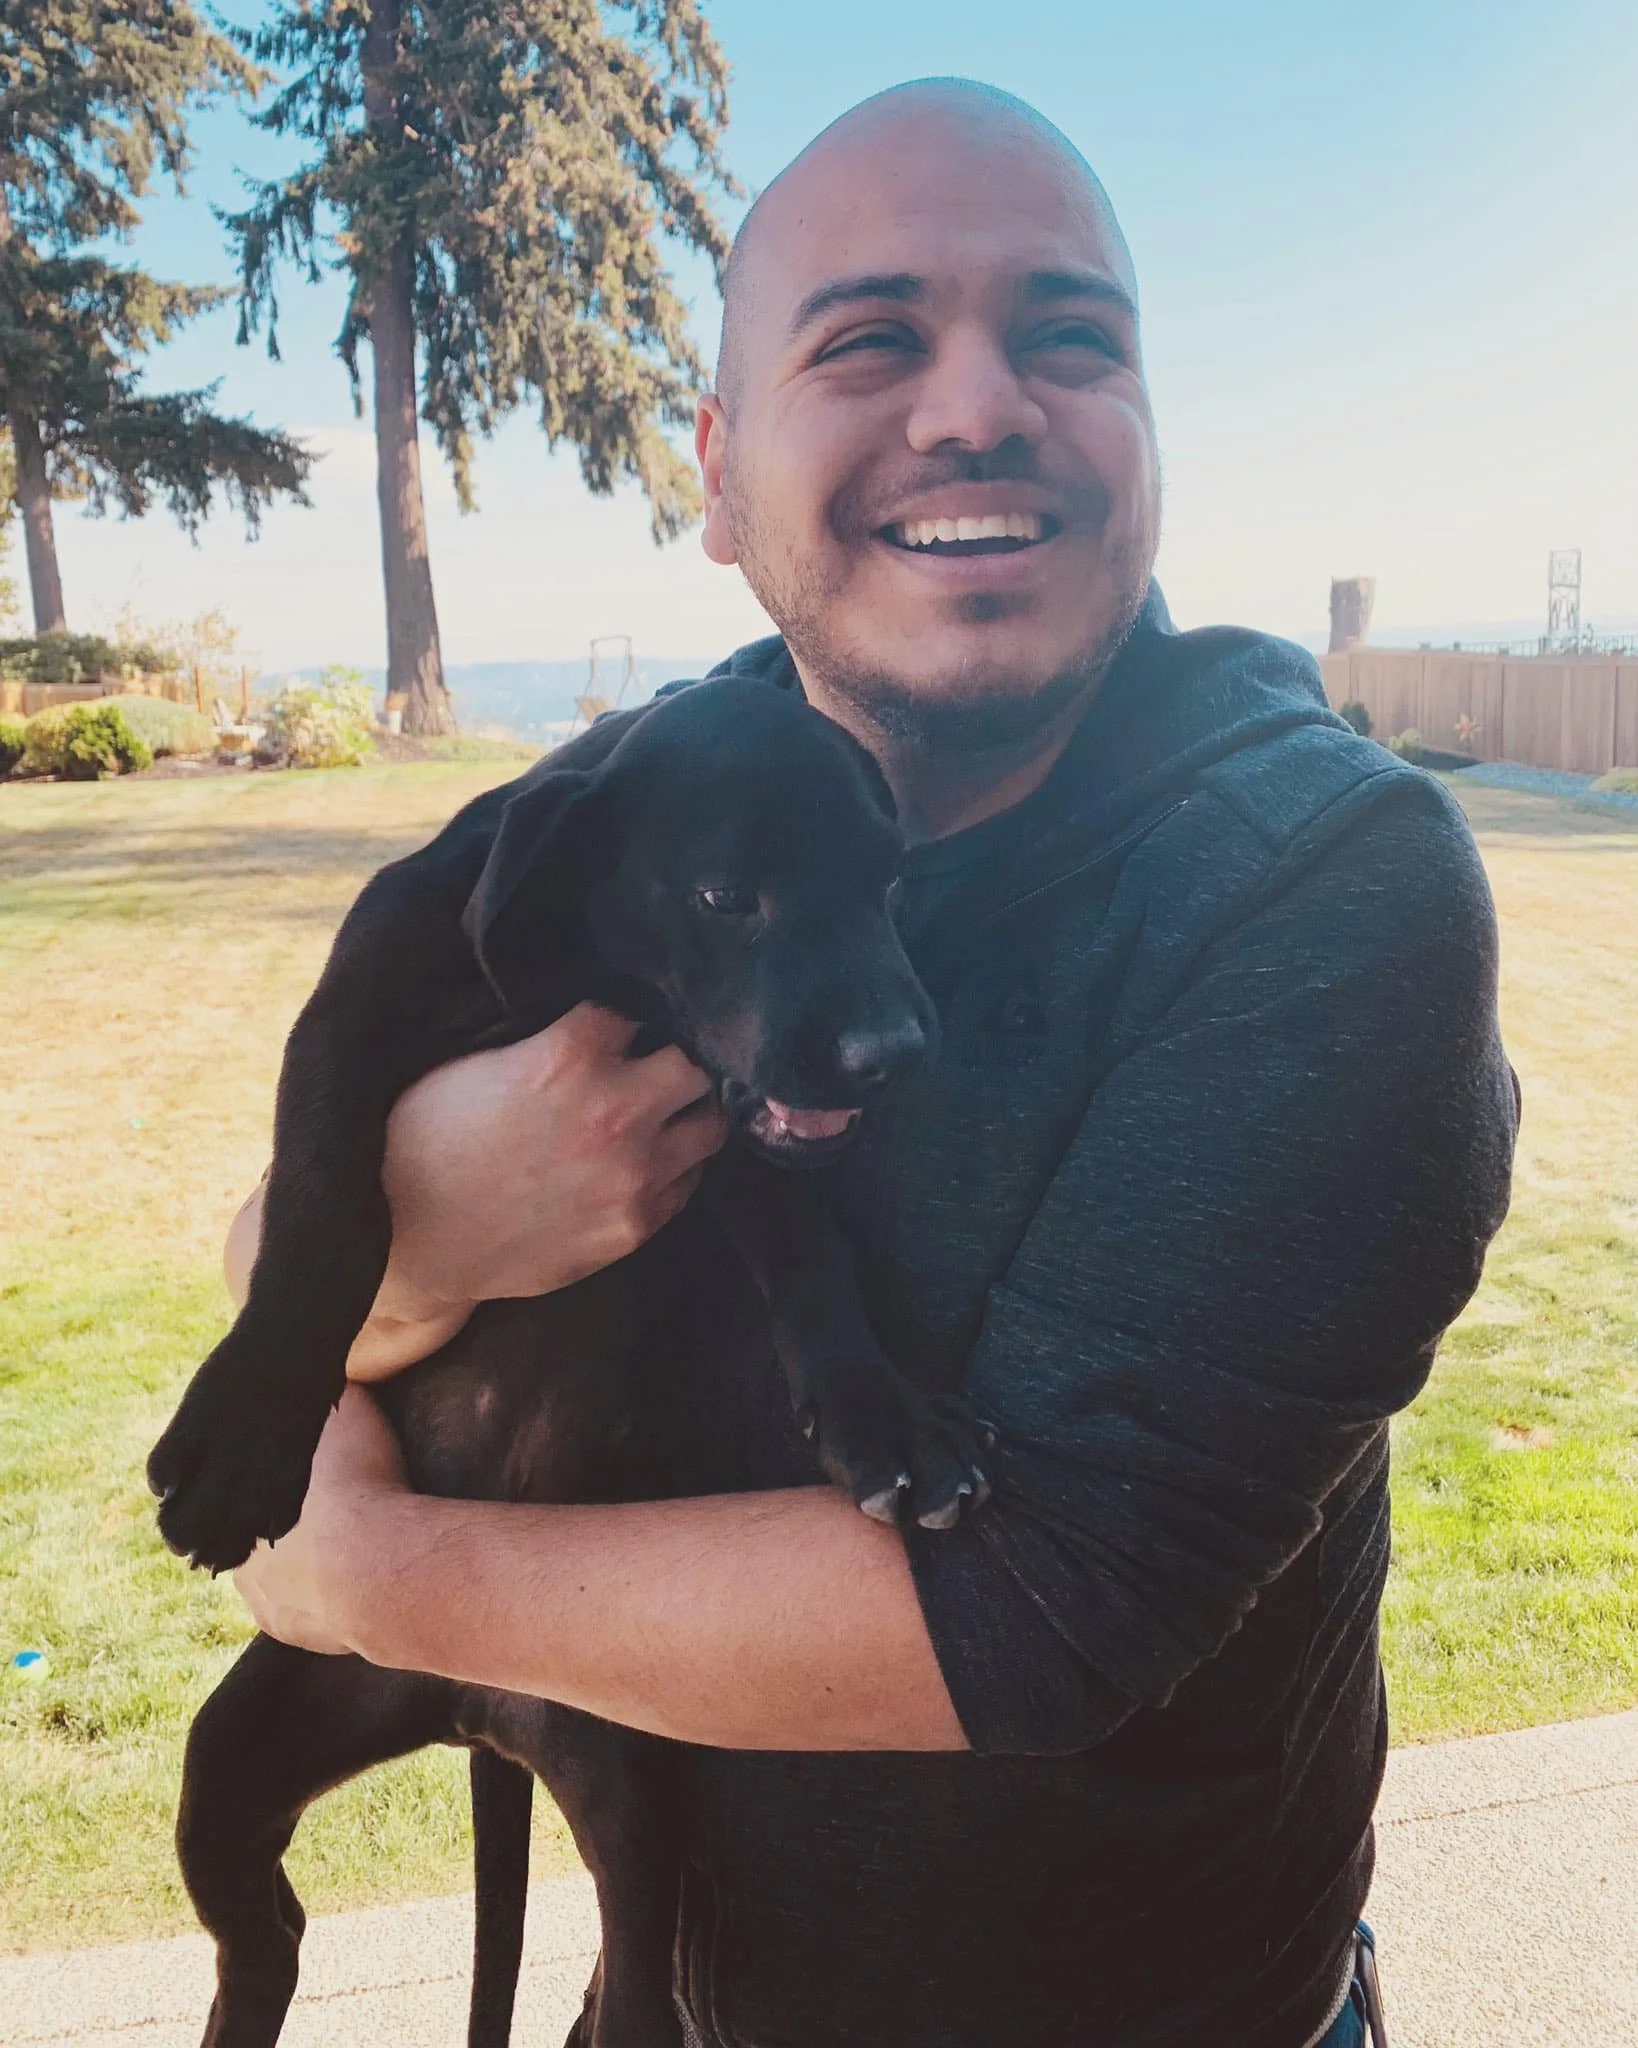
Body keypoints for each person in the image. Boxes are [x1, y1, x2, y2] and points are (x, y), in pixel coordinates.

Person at [229, 79, 1517, 2048]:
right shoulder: (650, 804)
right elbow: (266, 1251)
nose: (980, 403)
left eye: (1069, 334)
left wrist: (373, 1571)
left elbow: (1046, 1597)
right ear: (721, 467)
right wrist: (425, 1238)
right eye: (872, 338)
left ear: (1152, 431)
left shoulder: (1323, 886)